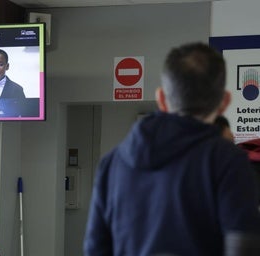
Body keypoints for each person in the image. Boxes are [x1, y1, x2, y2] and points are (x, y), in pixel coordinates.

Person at [84, 42, 260, 256]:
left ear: (161, 99)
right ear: (224, 102)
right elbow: (243, 248)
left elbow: (95, 249)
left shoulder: (112, 163)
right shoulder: (228, 161)